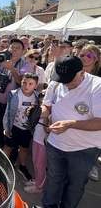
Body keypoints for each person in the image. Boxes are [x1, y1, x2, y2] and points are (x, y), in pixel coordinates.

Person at [39, 55, 101, 208]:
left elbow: (99, 121)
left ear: (82, 72)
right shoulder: (57, 82)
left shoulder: (97, 87)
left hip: (84, 149)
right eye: (62, 79)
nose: (65, 83)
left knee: (75, 186)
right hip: (55, 144)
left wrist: (70, 124)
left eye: (69, 79)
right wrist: (38, 112)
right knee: (53, 178)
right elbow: (47, 107)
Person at [0, 38, 32, 148]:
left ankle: (11, 157)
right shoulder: (2, 60)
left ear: (23, 52)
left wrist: (11, 68)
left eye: (18, 48)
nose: (14, 50)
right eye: (12, 47)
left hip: (13, 105)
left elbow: (23, 82)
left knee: (11, 131)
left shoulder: (25, 65)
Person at [3, 73, 39, 182]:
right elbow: (8, 112)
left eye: (30, 84)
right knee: (8, 147)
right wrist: (6, 128)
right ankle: (2, 165)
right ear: (21, 82)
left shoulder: (37, 97)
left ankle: (22, 167)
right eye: (24, 82)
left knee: (24, 149)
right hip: (14, 126)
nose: (26, 86)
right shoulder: (14, 94)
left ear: (36, 85)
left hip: (27, 129)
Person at [78, 44, 101, 182]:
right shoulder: (73, 71)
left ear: (96, 58)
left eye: (89, 55)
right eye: (82, 55)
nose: (85, 58)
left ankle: (93, 165)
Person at [24, 90, 48, 194]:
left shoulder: (50, 112)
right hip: (36, 139)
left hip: (44, 142)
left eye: (44, 103)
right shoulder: (37, 108)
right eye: (41, 102)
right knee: (34, 161)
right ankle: (37, 181)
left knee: (40, 164)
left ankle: (39, 187)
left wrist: (45, 116)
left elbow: (47, 129)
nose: (42, 105)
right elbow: (29, 119)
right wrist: (30, 112)